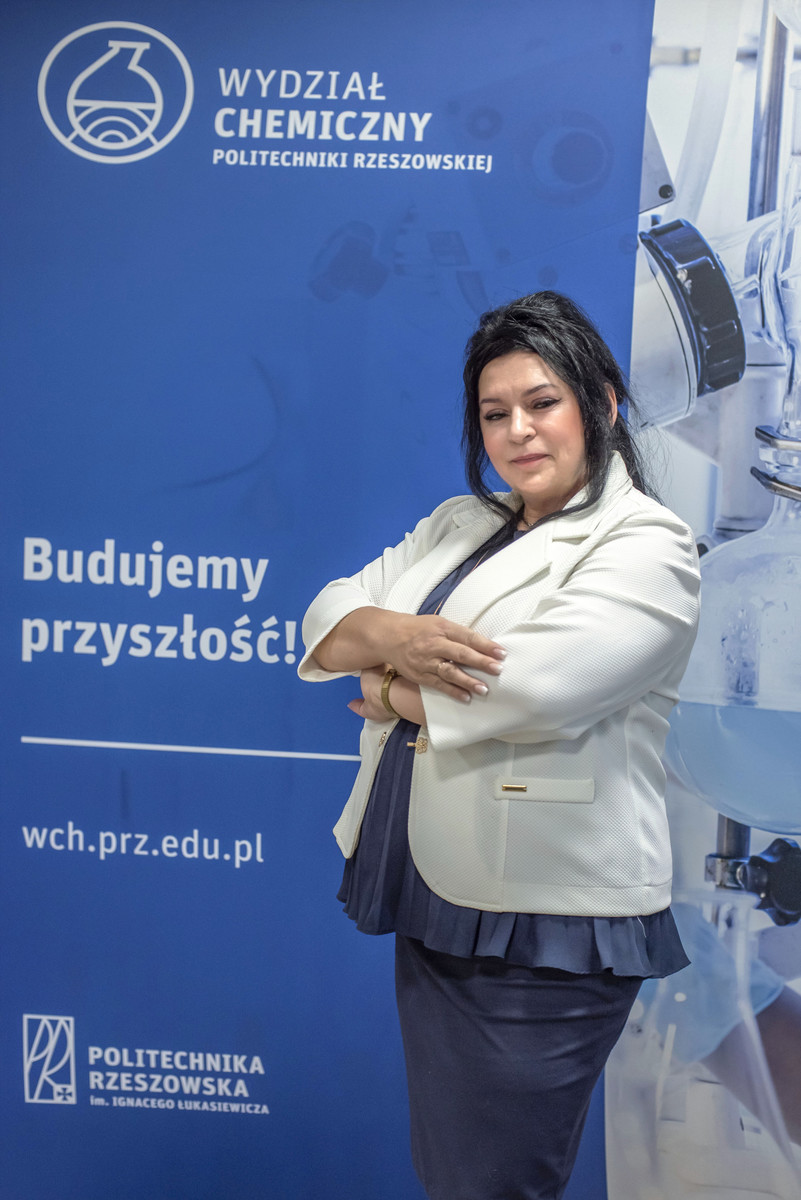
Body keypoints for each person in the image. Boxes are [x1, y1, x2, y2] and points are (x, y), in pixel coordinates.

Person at [298, 291, 701, 1200]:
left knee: (492, 1182)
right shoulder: (462, 523)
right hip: (441, 891)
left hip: (546, 923)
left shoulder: (646, 545)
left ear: (601, 405)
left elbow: (528, 691)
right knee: (457, 1174)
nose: (516, 431)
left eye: (541, 403)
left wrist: (384, 686)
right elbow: (328, 617)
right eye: (493, 413)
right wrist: (399, 639)